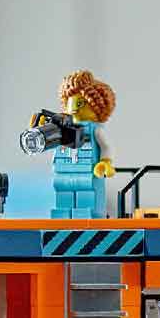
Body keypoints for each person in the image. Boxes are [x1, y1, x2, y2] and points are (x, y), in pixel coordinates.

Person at [41, 69, 117, 219]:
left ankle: (87, 216)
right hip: (63, 171)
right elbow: (47, 142)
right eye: (71, 102)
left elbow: (106, 146)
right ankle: (63, 216)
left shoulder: (94, 130)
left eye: (80, 103)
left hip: (88, 172)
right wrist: (43, 130)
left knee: (87, 196)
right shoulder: (61, 126)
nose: (74, 107)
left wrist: (105, 162)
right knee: (63, 194)